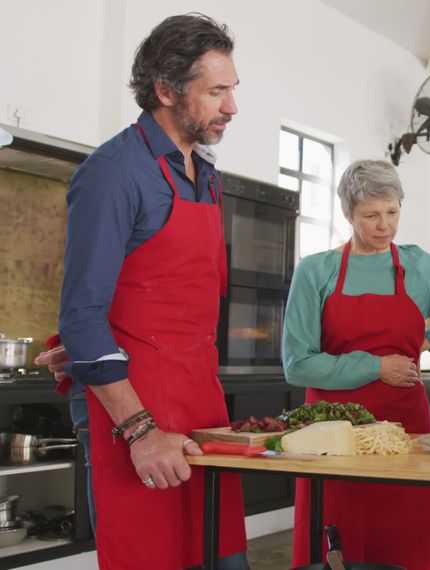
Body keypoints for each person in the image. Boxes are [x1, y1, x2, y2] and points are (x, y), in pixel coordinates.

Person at [55, 13, 248, 569]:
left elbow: (156, 293)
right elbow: (84, 313)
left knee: (222, 556)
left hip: (200, 402)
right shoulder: (112, 174)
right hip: (136, 416)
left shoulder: (204, 172)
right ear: (165, 90)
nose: (232, 107)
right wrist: (141, 431)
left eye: (232, 89)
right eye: (216, 91)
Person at [283, 159, 430, 569]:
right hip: (329, 432)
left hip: (403, 429)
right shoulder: (316, 271)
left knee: (404, 537)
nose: (384, 225)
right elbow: (297, 365)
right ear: (349, 214)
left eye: (392, 212)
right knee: (335, 535)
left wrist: (425, 341)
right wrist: (376, 367)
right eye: (370, 215)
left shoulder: (418, 266)